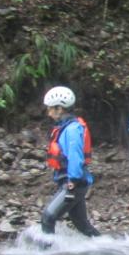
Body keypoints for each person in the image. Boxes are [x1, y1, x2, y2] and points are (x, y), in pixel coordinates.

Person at [42, 86, 100, 237]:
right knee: (82, 225)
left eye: (50, 109)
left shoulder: (72, 129)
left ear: (60, 108)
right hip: (73, 181)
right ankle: (110, 248)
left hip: (74, 182)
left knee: (48, 217)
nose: (48, 112)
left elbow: (75, 156)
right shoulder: (65, 128)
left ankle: (45, 254)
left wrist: (72, 179)